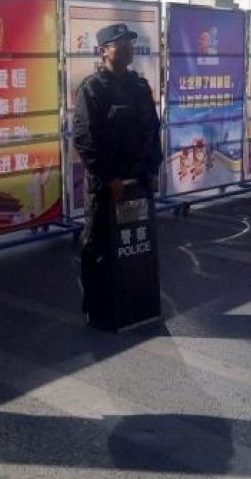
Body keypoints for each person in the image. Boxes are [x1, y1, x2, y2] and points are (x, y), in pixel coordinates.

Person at [72, 23, 163, 328]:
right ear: (104, 51)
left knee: (136, 244)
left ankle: (135, 304)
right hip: (107, 185)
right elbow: (85, 138)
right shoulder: (93, 88)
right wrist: (108, 177)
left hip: (138, 182)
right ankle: (97, 310)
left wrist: (152, 170)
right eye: (119, 44)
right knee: (98, 245)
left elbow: (153, 129)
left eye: (129, 43)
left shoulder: (139, 86)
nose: (127, 48)